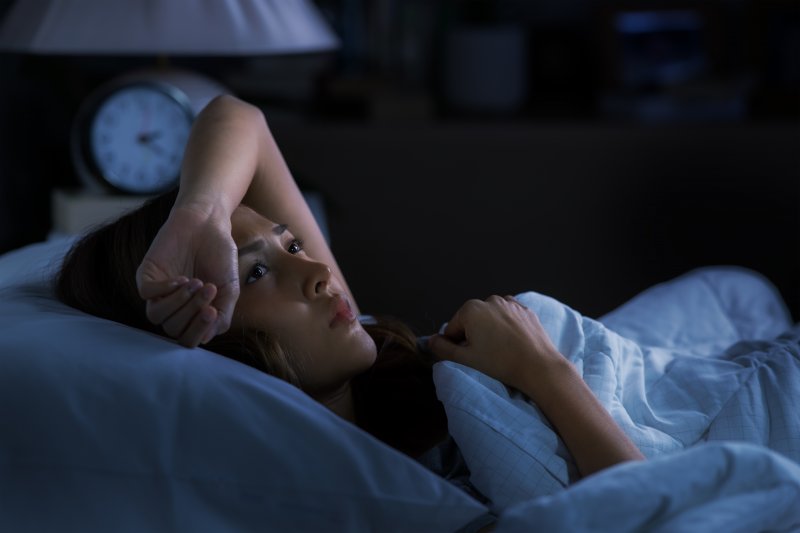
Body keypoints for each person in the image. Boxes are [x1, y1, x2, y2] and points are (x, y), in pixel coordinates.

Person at [56, 95, 643, 486]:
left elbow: (240, 119)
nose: (319, 273)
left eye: (292, 245)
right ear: (203, 335)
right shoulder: (368, 494)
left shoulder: (360, 362)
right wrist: (543, 370)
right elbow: (656, 510)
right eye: (255, 273)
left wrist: (202, 213)